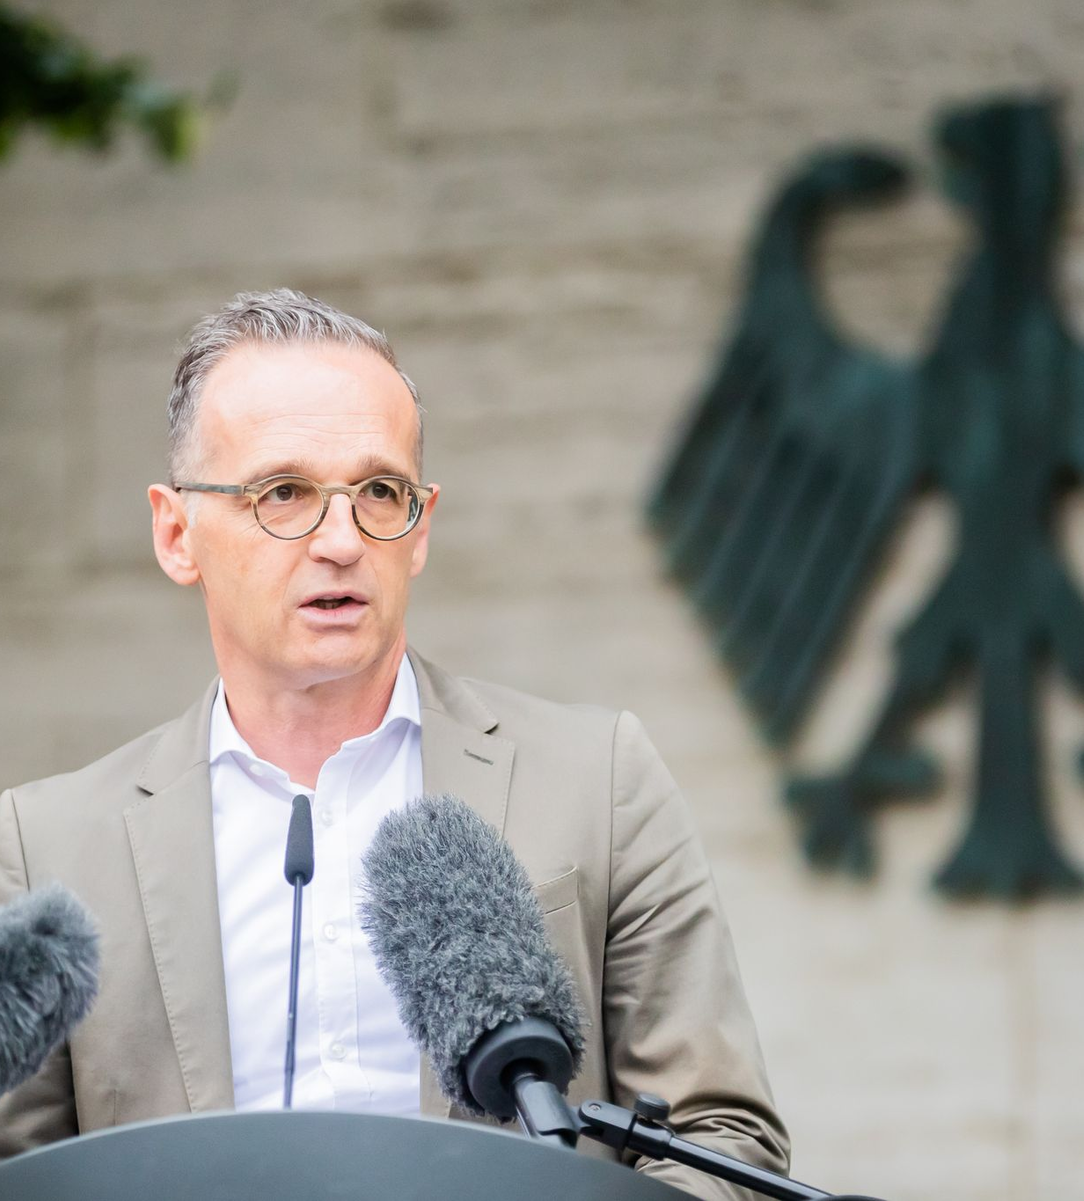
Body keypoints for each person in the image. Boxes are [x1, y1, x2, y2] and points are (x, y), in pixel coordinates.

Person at [0, 289, 789, 1197]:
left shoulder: (598, 779)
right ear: (177, 532)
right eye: (283, 492)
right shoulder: (51, 842)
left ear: (420, 527)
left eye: (380, 491)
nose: (341, 539)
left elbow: (724, 1139)